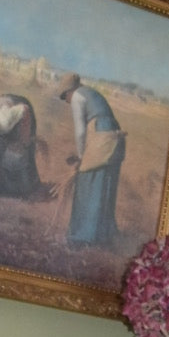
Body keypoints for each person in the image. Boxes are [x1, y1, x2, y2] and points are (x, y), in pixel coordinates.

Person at [54, 72, 126, 247]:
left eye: (65, 97)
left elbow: (80, 131)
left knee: (87, 182)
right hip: (113, 137)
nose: (67, 101)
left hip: (102, 136)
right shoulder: (90, 92)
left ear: (69, 91)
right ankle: (102, 235)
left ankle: (81, 237)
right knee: (105, 183)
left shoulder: (78, 96)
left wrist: (81, 157)